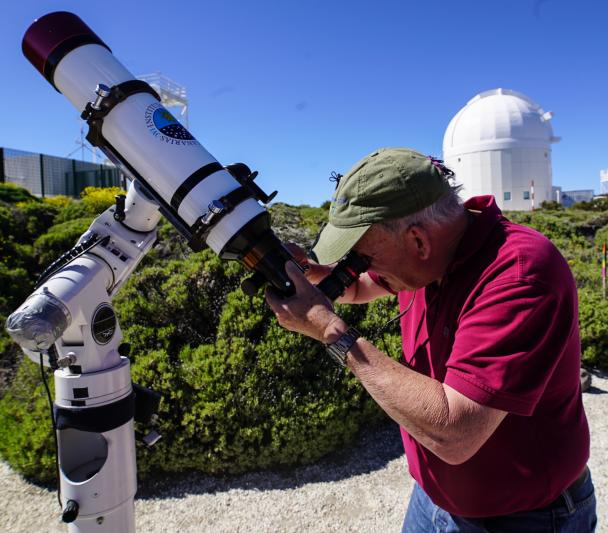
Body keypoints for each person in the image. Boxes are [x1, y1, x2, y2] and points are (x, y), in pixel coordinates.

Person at [265, 147, 596, 532]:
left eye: (362, 257)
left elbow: (456, 431)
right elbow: (360, 288)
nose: (357, 269)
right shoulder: (427, 260)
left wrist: (327, 329)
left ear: (419, 241)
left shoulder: (519, 273)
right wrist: (313, 275)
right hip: (433, 500)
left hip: (524, 517)